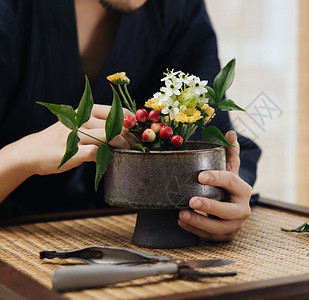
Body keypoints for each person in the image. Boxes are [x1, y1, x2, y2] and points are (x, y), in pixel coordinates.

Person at [0, 0, 261, 242]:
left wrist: (224, 198)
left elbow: (210, 145)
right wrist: (15, 158)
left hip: (117, 240)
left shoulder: (176, 8)